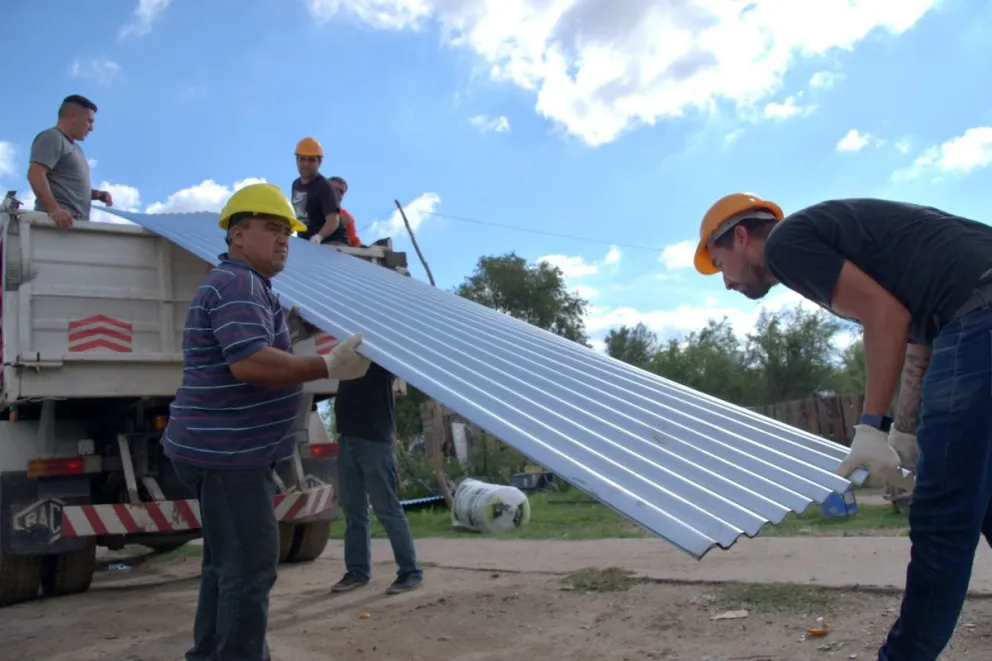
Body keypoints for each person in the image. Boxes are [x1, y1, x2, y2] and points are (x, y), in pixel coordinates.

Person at [693, 193, 992, 661]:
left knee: (942, 520)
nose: (726, 282)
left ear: (742, 236)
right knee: (986, 501)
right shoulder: (839, 241)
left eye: (719, 263)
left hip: (980, 315)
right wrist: (906, 431)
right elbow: (918, 331)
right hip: (974, 309)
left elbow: (885, 318)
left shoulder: (786, 246)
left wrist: (872, 427)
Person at [163, 182, 371, 661]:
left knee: (226, 566)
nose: (284, 240)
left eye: (288, 231)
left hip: (222, 453)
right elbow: (250, 364)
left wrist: (292, 330)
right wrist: (326, 366)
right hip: (229, 457)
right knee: (250, 568)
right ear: (238, 234)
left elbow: (256, 349)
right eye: (273, 229)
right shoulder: (238, 284)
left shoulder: (247, 286)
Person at [330, 360, 424, 595]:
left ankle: (410, 572)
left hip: (374, 441)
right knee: (354, 512)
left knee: (387, 509)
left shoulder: (381, 358)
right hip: (348, 440)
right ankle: (357, 572)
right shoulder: (350, 357)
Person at [26, 94, 114, 229]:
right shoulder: (52, 137)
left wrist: (96, 195)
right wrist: (54, 210)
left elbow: (66, 188)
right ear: (72, 116)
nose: (91, 128)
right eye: (89, 121)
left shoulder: (76, 149)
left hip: (73, 227)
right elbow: (35, 173)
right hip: (55, 228)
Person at [290, 137, 348, 245]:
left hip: (333, 244)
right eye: (302, 159)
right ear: (296, 161)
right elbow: (299, 216)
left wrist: (319, 236)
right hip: (308, 244)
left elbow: (333, 220)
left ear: (319, 162)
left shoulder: (324, 185)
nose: (306, 164)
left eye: (311, 160)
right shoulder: (296, 185)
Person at [328, 175, 363, 247]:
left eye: (341, 192)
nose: (338, 193)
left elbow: (353, 240)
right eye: (334, 189)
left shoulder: (347, 217)